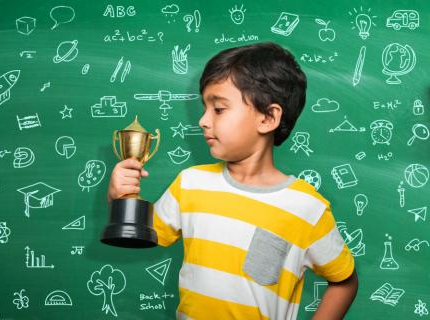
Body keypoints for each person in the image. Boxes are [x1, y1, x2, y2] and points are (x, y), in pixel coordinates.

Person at [107, 42, 358, 320]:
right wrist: (119, 197)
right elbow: (139, 232)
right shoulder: (191, 183)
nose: (203, 120)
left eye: (219, 109)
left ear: (268, 117)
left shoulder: (306, 208)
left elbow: (344, 281)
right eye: (205, 108)